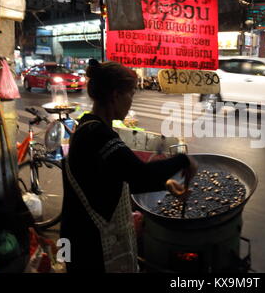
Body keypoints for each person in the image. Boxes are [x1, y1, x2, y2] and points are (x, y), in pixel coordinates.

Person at [60, 59, 197, 273]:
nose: (131, 101)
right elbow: (140, 175)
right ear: (115, 95)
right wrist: (183, 160)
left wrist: (166, 183)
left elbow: (116, 175)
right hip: (88, 242)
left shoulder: (88, 126)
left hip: (78, 234)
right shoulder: (98, 135)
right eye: (131, 94)